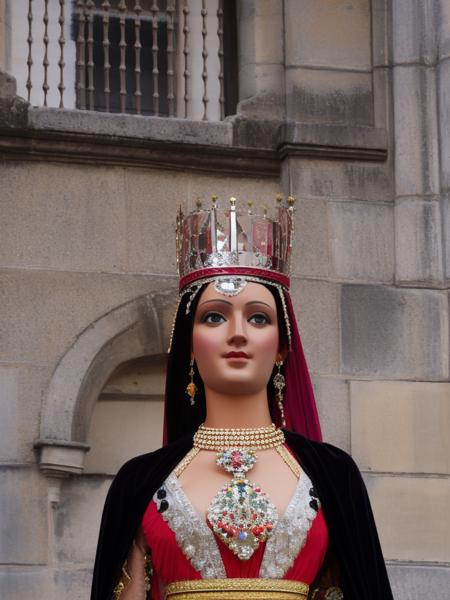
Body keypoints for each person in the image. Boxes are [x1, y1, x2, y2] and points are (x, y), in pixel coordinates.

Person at [91, 197, 394, 600]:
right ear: (190, 346)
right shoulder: (139, 483)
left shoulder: (333, 476)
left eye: (258, 317)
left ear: (282, 346)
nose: (238, 333)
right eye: (214, 316)